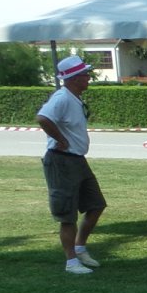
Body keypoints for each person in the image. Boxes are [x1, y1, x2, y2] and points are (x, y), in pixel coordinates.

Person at [36, 55, 106, 275]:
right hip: (62, 161)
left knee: (96, 204)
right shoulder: (62, 97)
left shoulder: (74, 98)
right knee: (67, 214)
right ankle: (71, 262)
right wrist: (61, 139)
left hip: (77, 160)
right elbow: (43, 118)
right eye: (85, 74)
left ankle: (80, 247)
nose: (88, 78)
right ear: (75, 78)